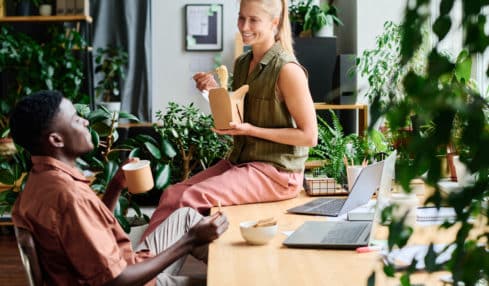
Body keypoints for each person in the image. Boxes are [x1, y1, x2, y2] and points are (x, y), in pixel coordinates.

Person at [9, 90, 229, 286]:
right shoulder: (68, 196)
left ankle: (241, 265)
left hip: (127, 265)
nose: (86, 122)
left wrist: (115, 185)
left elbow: (89, 230)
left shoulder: (40, 182)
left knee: (185, 217)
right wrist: (189, 240)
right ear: (56, 140)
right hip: (129, 279)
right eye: (76, 120)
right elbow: (117, 280)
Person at [143, 0, 317, 239]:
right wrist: (214, 91)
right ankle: (140, 262)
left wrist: (251, 130)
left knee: (189, 198)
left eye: (254, 19)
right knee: (173, 193)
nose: (244, 26)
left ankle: (151, 268)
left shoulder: (288, 70)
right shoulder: (243, 63)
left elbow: (309, 136)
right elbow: (236, 118)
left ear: (274, 23)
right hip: (242, 163)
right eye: (241, 17)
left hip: (277, 174)